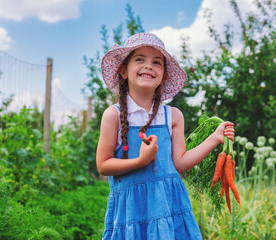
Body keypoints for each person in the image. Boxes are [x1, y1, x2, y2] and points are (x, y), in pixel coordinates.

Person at [96, 32, 234, 239]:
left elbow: (180, 163)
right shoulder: (113, 115)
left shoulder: (173, 116)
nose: (148, 66)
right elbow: (103, 165)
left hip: (168, 205)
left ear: (164, 75)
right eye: (140, 59)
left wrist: (214, 138)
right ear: (124, 71)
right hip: (132, 209)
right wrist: (141, 161)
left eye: (157, 62)